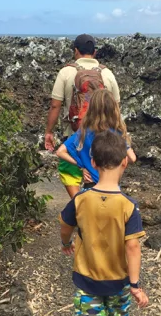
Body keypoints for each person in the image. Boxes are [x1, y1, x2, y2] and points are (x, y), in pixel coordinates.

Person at [59, 130, 149, 316]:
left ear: (94, 163)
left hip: (87, 280)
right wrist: (135, 285)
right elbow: (132, 247)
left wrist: (66, 243)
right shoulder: (128, 206)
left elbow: (65, 225)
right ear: (124, 162)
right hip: (118, 280)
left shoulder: (80, 200)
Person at [45, 34, 121, 198]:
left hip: (75, 133)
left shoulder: (66, 72)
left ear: (76, 51)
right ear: (95, 52)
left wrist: (49, 132)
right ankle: (98, 204)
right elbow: (116, 107)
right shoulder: (107, 74)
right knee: (99, 173)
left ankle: (78, 204)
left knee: (69, 172)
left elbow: (55, 105)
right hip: (103, 136)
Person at [55, 89, 136, 196]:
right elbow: (132, 158)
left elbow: (60, 152)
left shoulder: (83, 132)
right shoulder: (115, 133)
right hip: (111, 189)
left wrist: (81, 165)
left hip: (89, 188)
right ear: (113, 109)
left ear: (91, 109)